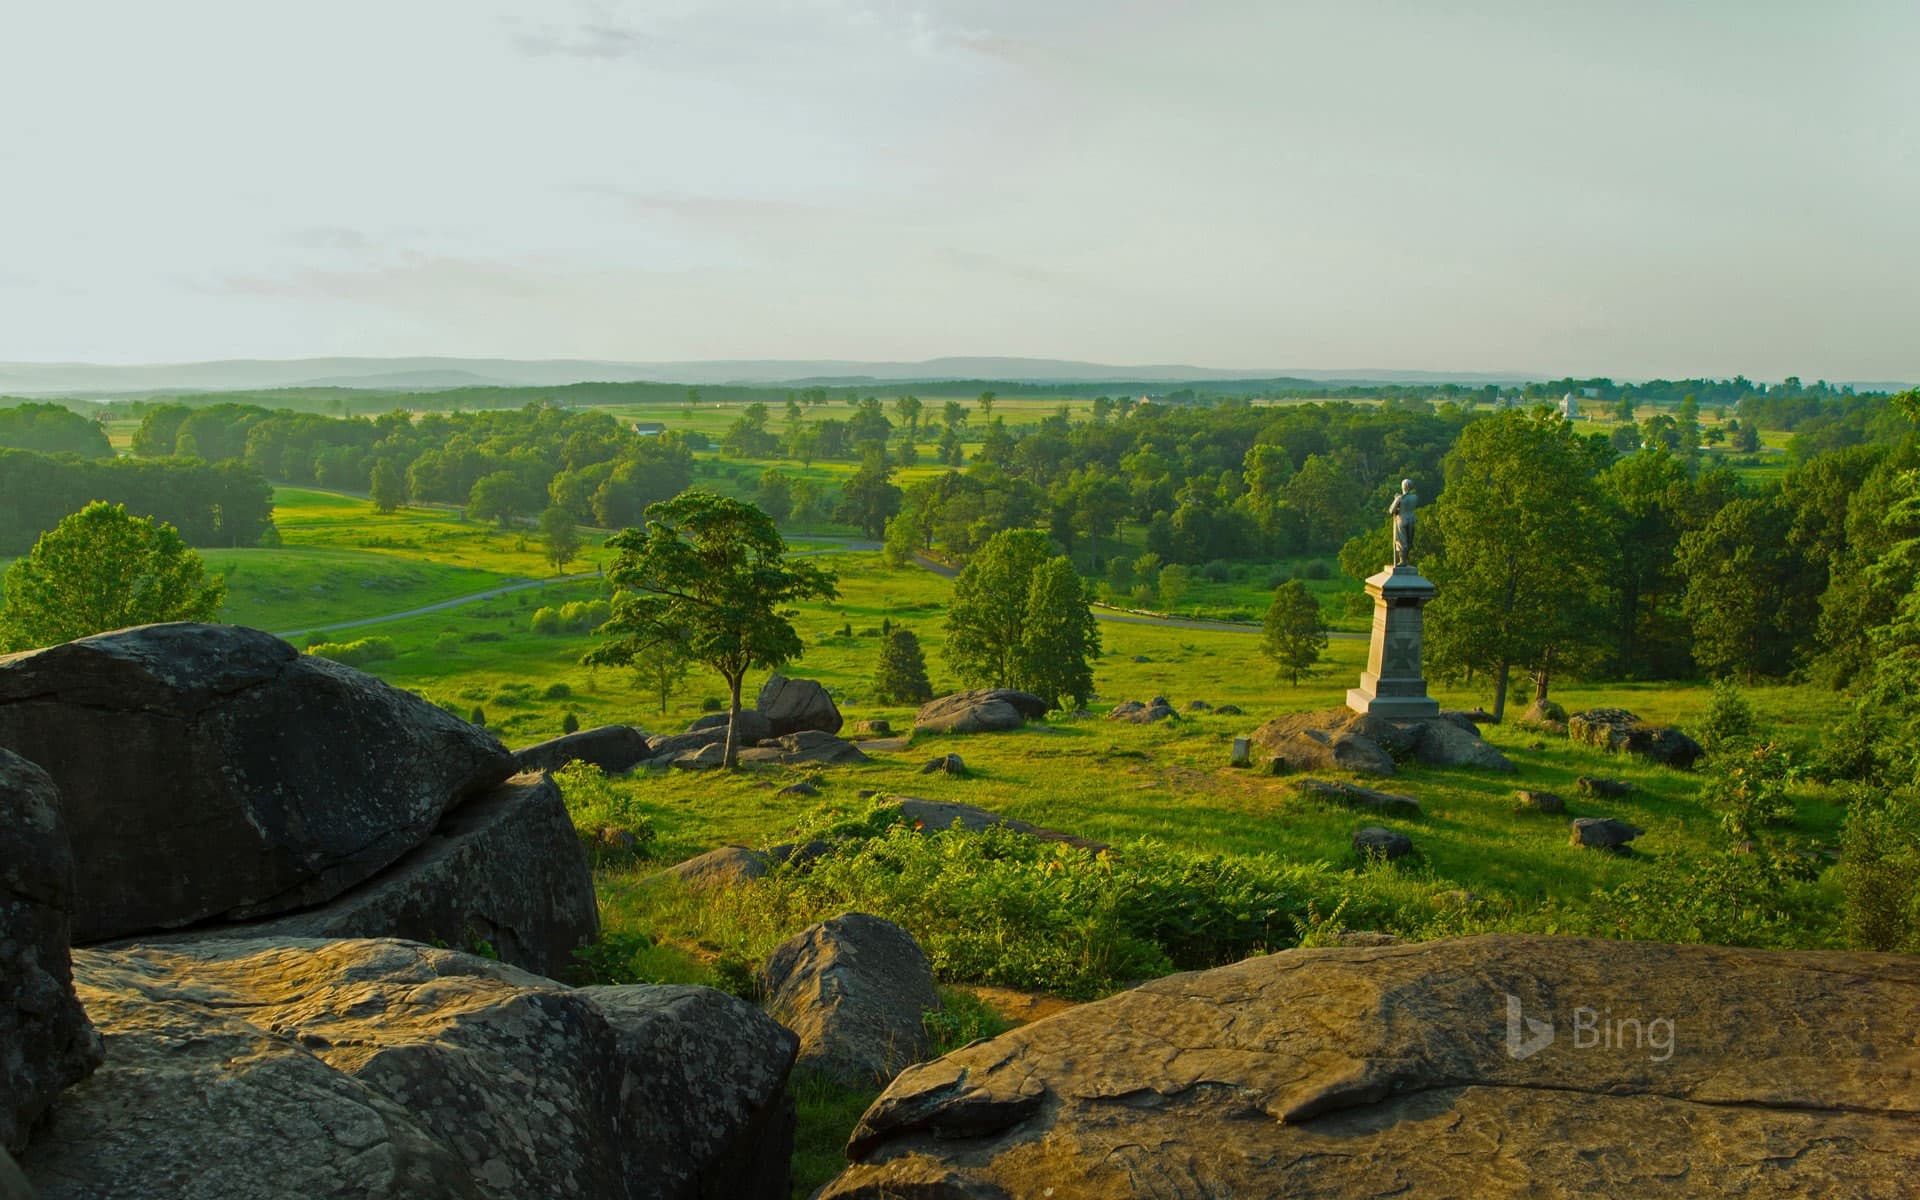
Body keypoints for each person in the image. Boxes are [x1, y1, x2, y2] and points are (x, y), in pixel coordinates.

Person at [1390, 478, 1417, 565]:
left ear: (1403, 487)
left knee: (1401, 541)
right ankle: (1406, 559)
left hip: (1402, 519)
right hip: (1412, 519)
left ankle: (1402, 560)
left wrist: (1396, 499)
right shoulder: (1415, 497)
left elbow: (1391, 510)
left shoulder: (1400, 498)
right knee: (1409, 541)